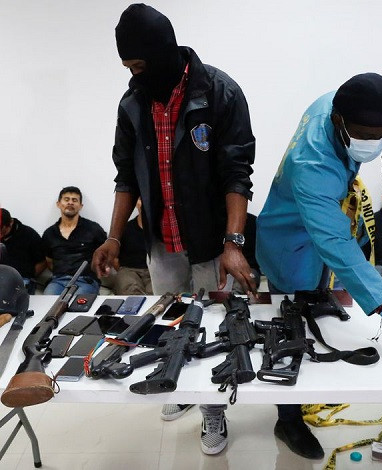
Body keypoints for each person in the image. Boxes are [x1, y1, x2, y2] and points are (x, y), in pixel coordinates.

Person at [257, 73, 382, 460]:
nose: (372, 143)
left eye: (380, 134)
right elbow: (334, 243)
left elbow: (333, 236)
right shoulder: (312, 162)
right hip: (290, 240)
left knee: (323, 318)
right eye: (363, 134)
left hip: (322, 219)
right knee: (290, 330)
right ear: (339, 122)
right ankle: (288, 419)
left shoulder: (336, 101)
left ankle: (307, 393)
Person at [90, 4, 256, 456]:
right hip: (161, 242)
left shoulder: (219, 92)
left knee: (215, 327)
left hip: (209, 243)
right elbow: (126, 174)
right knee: (173, 322)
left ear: (163, 52)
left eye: (139, 65)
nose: (133, 75)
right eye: (127, 67)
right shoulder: (133, 103)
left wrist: (233, 243)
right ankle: (179, 384)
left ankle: (213, 412)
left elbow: (237, 173)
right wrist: (114, 237)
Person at [42, 187, 106, 295]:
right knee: (47, 305)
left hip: (86, 281)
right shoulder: (49, 233)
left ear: (81, 206)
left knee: (77, 306)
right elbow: (48, 261)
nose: (70, 203)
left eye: (74, 200)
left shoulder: (93, 229)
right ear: (58, 204)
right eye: (66, 199)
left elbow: (105, 253)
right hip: (58, 281)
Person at [0, 209, 47, 294]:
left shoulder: (29, 234)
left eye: (1, 230)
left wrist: (30, 275)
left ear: (10, 223)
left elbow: (43, 262)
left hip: (22, 279)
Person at [111, 199, 152, 295]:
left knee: (155, 295)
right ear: (136, 203)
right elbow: (114, 259)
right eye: (141, 199)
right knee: (132, 292)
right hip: (129, 270)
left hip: (153, 272)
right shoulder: (124, 228)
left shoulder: (161, 229)